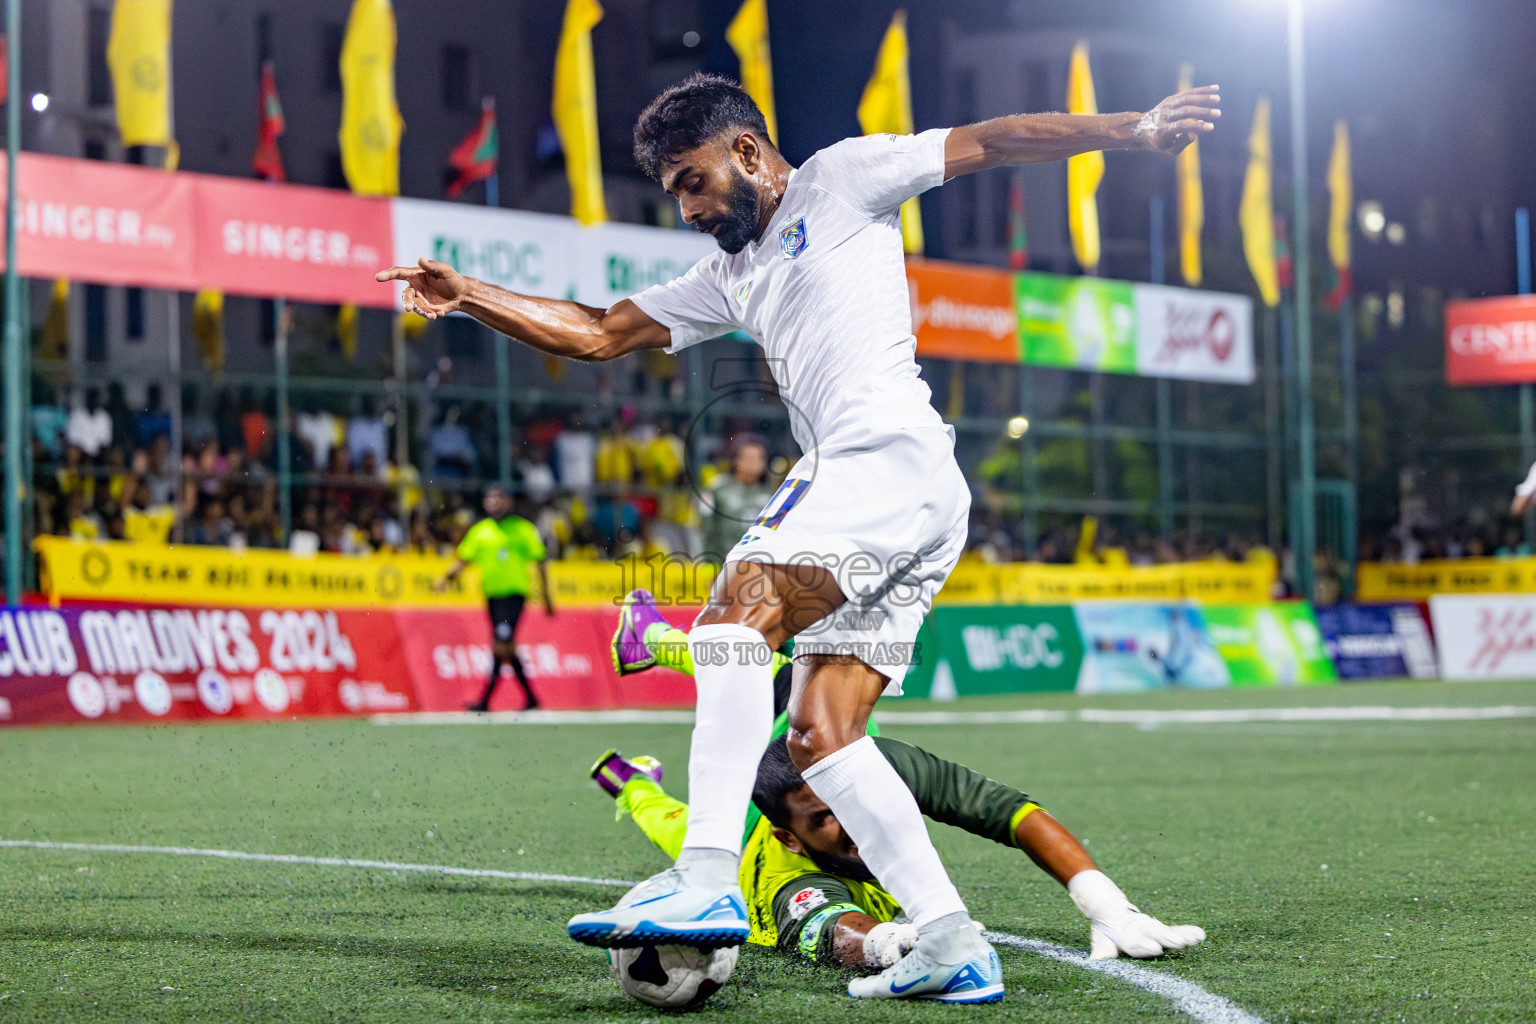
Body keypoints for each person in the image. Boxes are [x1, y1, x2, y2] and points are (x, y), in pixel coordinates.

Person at [379, 72, 1218, 1003]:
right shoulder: (731, 273)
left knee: (733, 621)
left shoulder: (842, 178)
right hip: (916, 495)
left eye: (692, 180)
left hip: (882, 460)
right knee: (822, 737)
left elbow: (997, 137)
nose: (688, 207)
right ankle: (949, 941)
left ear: (744, 150)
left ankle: (704, 879)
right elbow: (596, 332)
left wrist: (1133, 129)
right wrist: (469, 297)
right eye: (673, 192)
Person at [601, 590, 1204, 972]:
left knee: (773, 674)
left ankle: (645, 650)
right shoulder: (780, 873)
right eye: (823, 819)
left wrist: (1101, 899)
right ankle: (632, 775)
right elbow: (834, 930)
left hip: (806, 766)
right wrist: (898, 943)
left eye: (842, 801)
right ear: (793, 837)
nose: (851, 822)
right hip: (764, 832)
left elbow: (1008, 811)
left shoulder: (873, 761)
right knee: (683, 822)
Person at [435, 485, 555, 712]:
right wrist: (445, 578)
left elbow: (540, 561)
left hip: (514, 595)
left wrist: (547, 595)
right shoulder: (481, 531)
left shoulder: (522, 529)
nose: (493, 502)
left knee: (500, 643)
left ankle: (485, 700)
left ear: (508, 501)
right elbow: (464, 558)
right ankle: (531, 699)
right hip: (492, 596)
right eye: (489, 497)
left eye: (498, 497)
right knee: (505, 647)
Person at [701, 435, 775, 560]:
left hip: (758, 562)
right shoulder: (717, 489)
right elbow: (706, 529)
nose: (753, 463)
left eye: (758, 458)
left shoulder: (771, 494)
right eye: (748, 458)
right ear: (736, 460)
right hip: (723, 561)